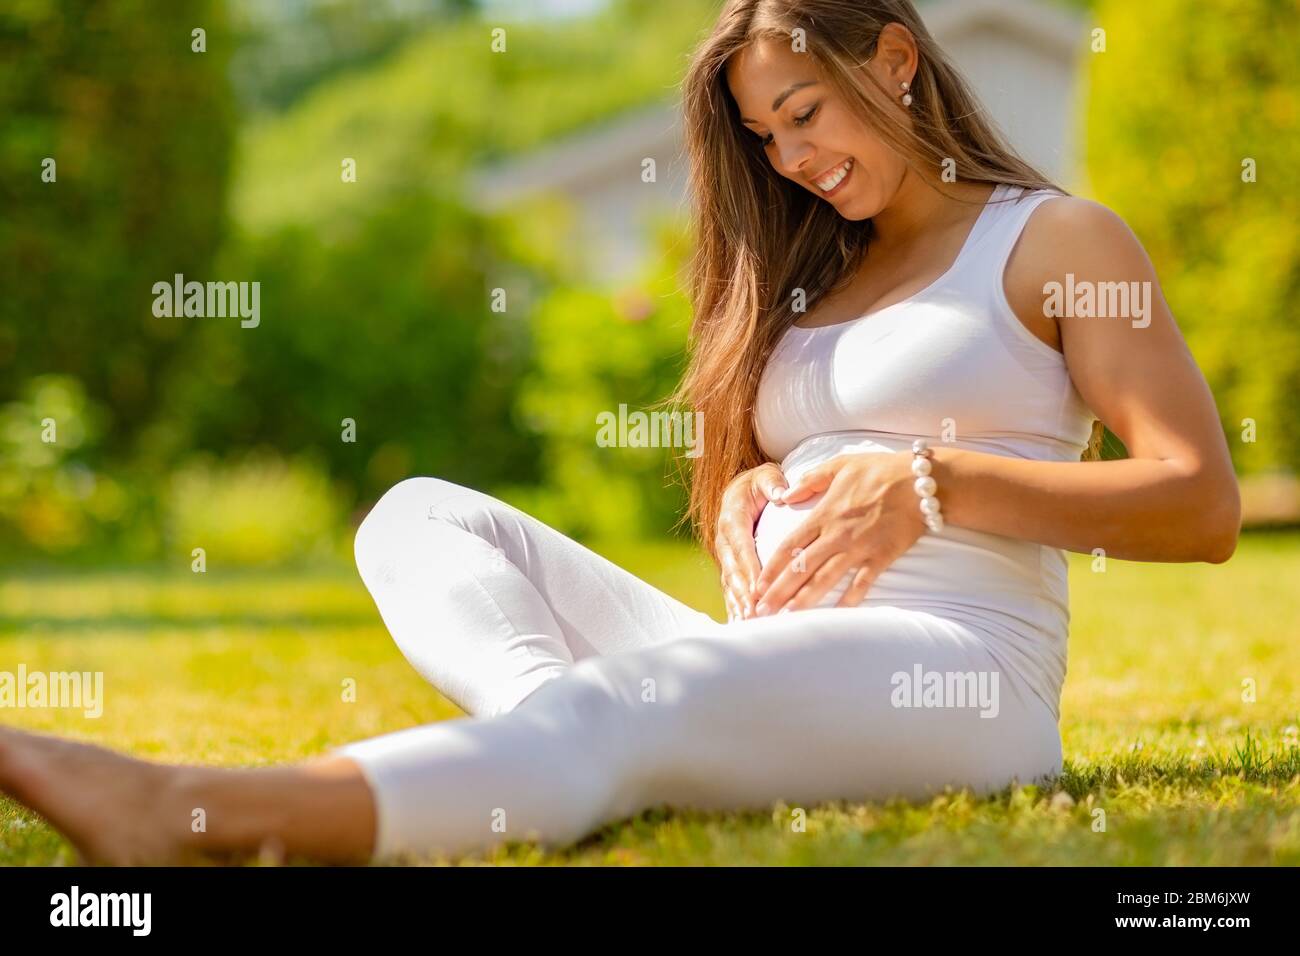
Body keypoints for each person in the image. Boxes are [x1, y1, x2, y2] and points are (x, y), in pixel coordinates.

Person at [0, 0, 1238, 865]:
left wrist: (931, 481)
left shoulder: (1054, 241)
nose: (793, 157)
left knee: (639, 705)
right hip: (772, 657)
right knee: (420, 511)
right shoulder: (824, 273)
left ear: (897, 59)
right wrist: (760, 484)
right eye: (766, 136)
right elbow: (809, 452)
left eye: (805, 112)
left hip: (962, 672)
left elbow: (1198, 504)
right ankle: (555, 730)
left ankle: (189, 812)